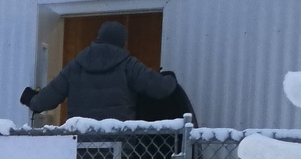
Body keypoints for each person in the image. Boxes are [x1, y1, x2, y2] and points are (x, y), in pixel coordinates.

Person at [20, 21, 191, 123]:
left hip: (81, 142)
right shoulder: (128, 65)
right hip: (117, 144)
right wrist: (169, 76)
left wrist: (30, 98)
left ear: (98, 37)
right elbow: (160, 89)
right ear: (122, 42)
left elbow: (44, 101)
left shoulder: (75, 66)